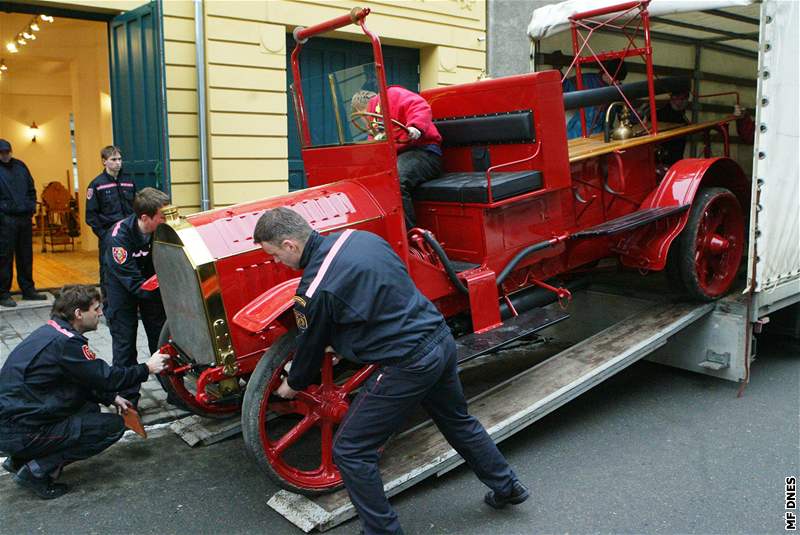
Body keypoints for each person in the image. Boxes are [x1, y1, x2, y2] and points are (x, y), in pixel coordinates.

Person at [253, 207, 529, 535]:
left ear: (290, 245)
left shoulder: (314, 290)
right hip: (439, 339)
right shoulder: (361, 239)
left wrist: (292, 385)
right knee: (458, 421)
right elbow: (381, 298)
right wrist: (343, 341)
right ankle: (508, 487)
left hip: (408, 362)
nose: (276, 263)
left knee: (351, 450)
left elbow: (310, 348)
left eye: (274, 255)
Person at [0, 284, 169, 499]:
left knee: (88, 407)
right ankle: (36, 471)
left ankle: (19, 460)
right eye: (96, 309)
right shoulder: (67, 344)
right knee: (111, 427)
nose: (100, 313)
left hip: (13, 422)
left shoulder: (51, 331)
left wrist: (110, 397)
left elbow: (80, 379)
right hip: (19, 431)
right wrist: (147, 368)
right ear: (79, 314)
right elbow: (107, 377)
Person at [103, 187, 168, 408]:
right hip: (122, 292)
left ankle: (173, 389)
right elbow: (133, 283)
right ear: (145, 218)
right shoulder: (118, 239)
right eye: (162, 216)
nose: (166, 220)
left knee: (161, 341)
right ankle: (129, 401)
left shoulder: (159, 231)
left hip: (150, 288)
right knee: (125, 346)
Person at [351, 87, 442, 228]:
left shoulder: (392, 95)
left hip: (424, 152)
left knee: (395, 181)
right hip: (400, 157)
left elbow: (419, 105)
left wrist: (415, 127)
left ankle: (409, 235)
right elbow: (374, 151)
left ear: (360, 112)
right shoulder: (375, 127)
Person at [85, 145, 136, 313]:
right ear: (104, 161)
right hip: (108, 236)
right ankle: (109, 308)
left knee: (131, 267)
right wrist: (104, 235)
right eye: (114, 159)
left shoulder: (129, 181)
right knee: (108, 271)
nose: (118, 163)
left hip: (128, 235)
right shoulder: (97, 185)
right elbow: (91, 216)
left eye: (120, 159)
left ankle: (132, 305)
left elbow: (136, 206)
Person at [0, 139, 47, 307]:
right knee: (4, 257)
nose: (5, 155)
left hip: (24, 218)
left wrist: (31, 206)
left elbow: (31, 188)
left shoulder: (20, 166)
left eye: (7, 152)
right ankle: (3, 293)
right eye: (2, 153)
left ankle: (28, 289)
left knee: (26, 255)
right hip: (5, 220)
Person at [562, 59, 629, 139]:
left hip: (603, 136)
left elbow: (624, 112)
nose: (618, 82)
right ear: (606, 73)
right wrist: (559, 76)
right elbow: (566, 90)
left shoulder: (617, 89)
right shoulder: (585, 80)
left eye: (620, 80)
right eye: (615, 79)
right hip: (578, 134)